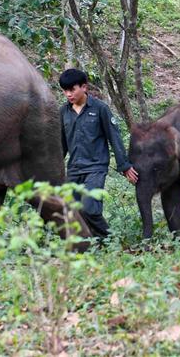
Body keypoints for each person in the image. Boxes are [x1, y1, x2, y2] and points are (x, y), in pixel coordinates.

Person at [59, 68, 138, 238]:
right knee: (72, 211)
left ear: (84, 87)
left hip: (96, 168)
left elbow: (114, 137)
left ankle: (110, 240)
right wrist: (53, 168)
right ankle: (90, 245)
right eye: (65, 91)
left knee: (90, 208)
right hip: (73, 169)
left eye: (72, 89)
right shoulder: (63, 112)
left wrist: (124, 165)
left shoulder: (100, 109)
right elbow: (61, 144)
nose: (68, 94)